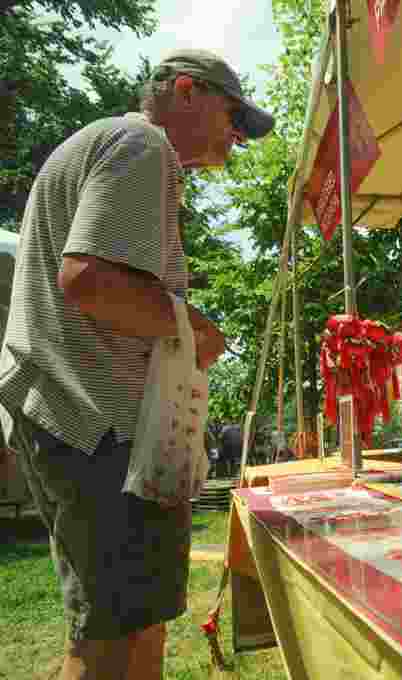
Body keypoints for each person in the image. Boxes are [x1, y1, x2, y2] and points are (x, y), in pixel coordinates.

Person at [0, 49, 274, 680]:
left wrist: (177, 319)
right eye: (233, 115)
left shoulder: (118, 146)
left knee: (133, 624)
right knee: (110, 642)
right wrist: (192, 328)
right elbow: (90, 279)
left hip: (82, 420)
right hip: (94, 425)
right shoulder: (141, 143)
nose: (238, 135)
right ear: (185, 92)